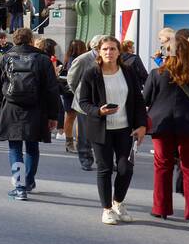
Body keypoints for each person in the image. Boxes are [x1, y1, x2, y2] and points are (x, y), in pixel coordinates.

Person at [144, 34, 189, 228]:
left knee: (162, 165)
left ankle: (161, 208)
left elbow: (146, 99)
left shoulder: (156, 73)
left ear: (166, 52)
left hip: (162, 125)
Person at [78, 36, 148, 224]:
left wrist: (142, 125)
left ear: (119, 52)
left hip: (126, 129)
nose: (109, 52)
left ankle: (118, 202)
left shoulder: (128, 72)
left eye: (113, 49)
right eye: (105, 49)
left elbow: (138, 100)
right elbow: (83, 102)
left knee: (126, 168)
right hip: (101, 129)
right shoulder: (91, 73)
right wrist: (98, 111)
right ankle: (107, 209)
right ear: (99, 52)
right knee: (105, 168)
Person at [0, 27, 62, 200]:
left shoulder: (4, 58)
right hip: (37, 108)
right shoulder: (43, 60)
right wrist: (53, 115)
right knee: (32, 146)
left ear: (14, 40)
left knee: (14, 147)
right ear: (31, 40)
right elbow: (52, 90)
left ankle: (19, 186)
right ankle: (29, 181)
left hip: (10, 107)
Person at [64, 38, 101, 171]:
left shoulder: (111, 59)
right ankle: (86, 159)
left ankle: (102, 158)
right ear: (96, 47)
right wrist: (79, 93)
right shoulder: (82, 59)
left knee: (102, 132)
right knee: (84, 132)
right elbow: (72, 79)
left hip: (103, 101)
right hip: (85, 101)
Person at [58, 39, 89, 153]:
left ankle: (70, 142)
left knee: (70, 117)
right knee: (76, 118)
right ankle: (75, 142)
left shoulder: (68, 59)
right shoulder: (80, 60)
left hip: (68, 92)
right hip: (75, 91)